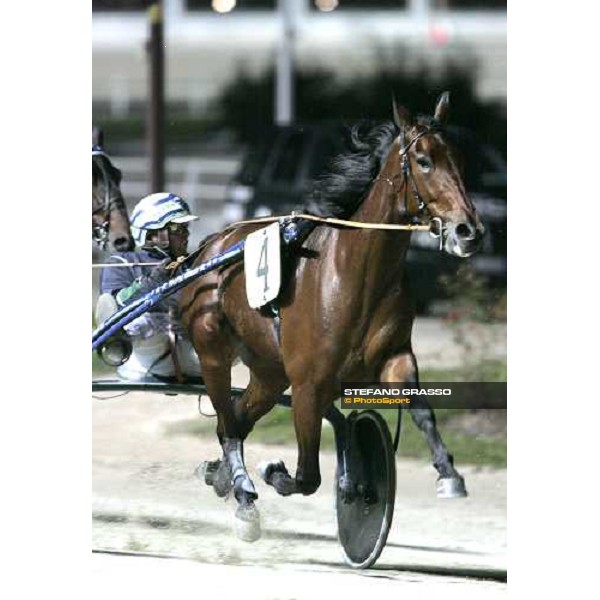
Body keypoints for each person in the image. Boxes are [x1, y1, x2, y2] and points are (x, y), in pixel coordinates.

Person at [95, 192, 202, 382]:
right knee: (143, 320)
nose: (186, 234)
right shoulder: (122, 262)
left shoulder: (193, 265)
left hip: (193, 353)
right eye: (178, 229)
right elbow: (118, 302)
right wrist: (152, 283)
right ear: (152, 234)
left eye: (186, 228)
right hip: (143, 354)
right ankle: (114, 340)